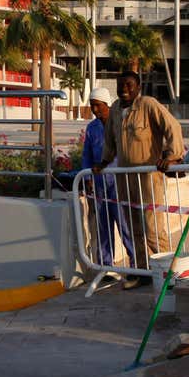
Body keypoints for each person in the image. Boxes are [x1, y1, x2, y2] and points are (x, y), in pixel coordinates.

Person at [96, 70, 184, 285]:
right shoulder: (116, 109)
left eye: (128, 85)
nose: (124, 89)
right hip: (125, 178)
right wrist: (105, 161)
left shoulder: (148, 104)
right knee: (133, 227)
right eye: (120, 85)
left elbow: (173, 126)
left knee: (152, 228)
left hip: (148, 178)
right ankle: (143, 272)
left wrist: (172, 156)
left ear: (138, 87)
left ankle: (165, 273)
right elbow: (109, 140)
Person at [81, 87, 135, 268]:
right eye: (92, 106)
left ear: (107, 105)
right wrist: (87, 178)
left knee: (125, 226)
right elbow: (86, 155)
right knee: (103, 227)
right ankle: (106, 266)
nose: (95, 110)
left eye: (98, 106)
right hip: (99, 185)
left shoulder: (121, 123)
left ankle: (137, 264)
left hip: (120, 183)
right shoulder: (91, 128)